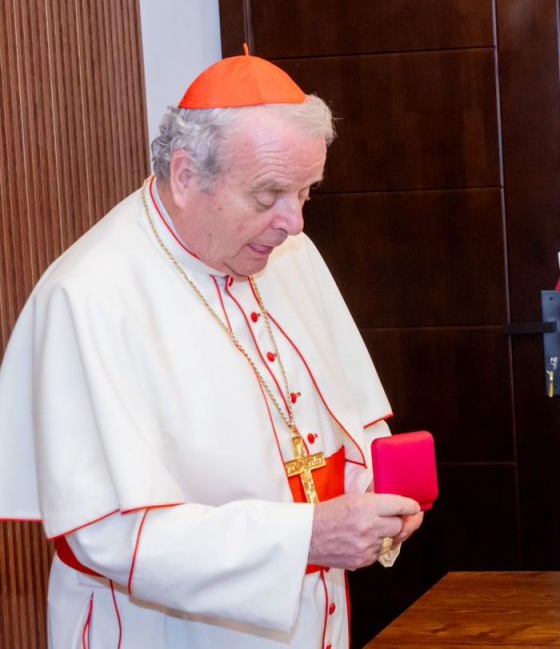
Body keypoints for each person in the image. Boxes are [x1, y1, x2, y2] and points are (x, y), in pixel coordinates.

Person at [0, 54, 424, 646]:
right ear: (185, 175)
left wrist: (369, 498)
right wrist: (303, 537)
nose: (294, 223)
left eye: (306, 192)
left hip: (312, 615)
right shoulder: (90, 297)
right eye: (268, 194)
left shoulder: (287, 254)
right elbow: (106, 535)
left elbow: (346, 423)